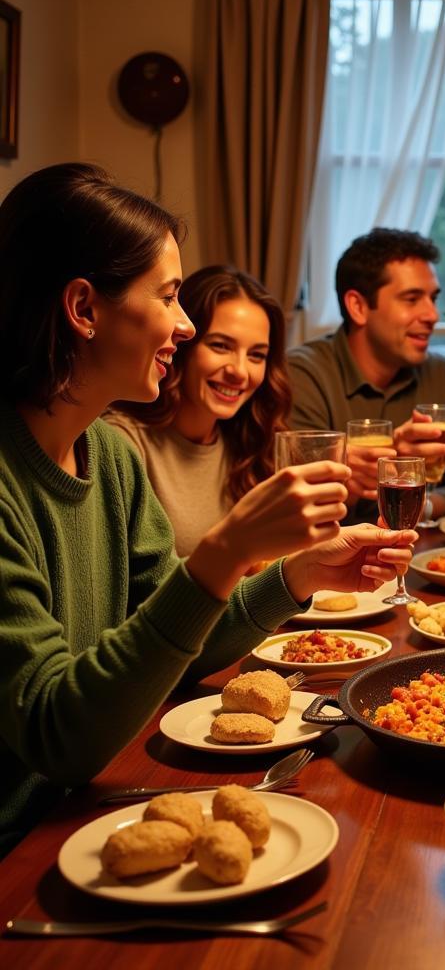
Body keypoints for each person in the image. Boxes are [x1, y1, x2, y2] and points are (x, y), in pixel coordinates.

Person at [0, 164, 414, 854]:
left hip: (102, 800)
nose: (185, 325)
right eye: (168, 296)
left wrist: (299, 576)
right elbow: (56, 737)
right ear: (83, 309)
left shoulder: (108, 456)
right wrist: (224, 551)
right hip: (23, 843)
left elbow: (179, 643)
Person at [288, 228, 445, 524]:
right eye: (412, 299)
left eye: (433, 298)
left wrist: (419, 505)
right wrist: (390, 464)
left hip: (417, 559)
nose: (432, 315)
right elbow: (302, 508)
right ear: (358, 307)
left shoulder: (439, 373)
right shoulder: (303, 374)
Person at [106, 265, 290, 557]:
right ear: (181, 345)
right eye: (220, 346)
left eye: (256, 355)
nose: (239, 372)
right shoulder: (124, 441)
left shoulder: (254, 442)